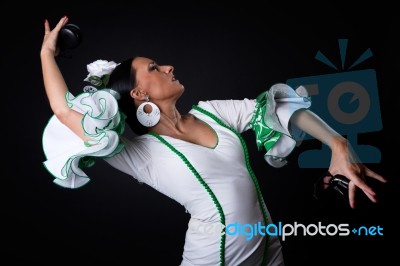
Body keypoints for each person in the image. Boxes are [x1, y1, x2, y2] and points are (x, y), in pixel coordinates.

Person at [40, 16, 387, 266]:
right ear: (139, 92)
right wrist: (47, 54)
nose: (168, 67)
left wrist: (338, 145)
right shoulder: (136, 153)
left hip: (270, 250)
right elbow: (64, 109)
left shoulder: (212, 112)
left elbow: (283, 108)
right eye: (155, 68)